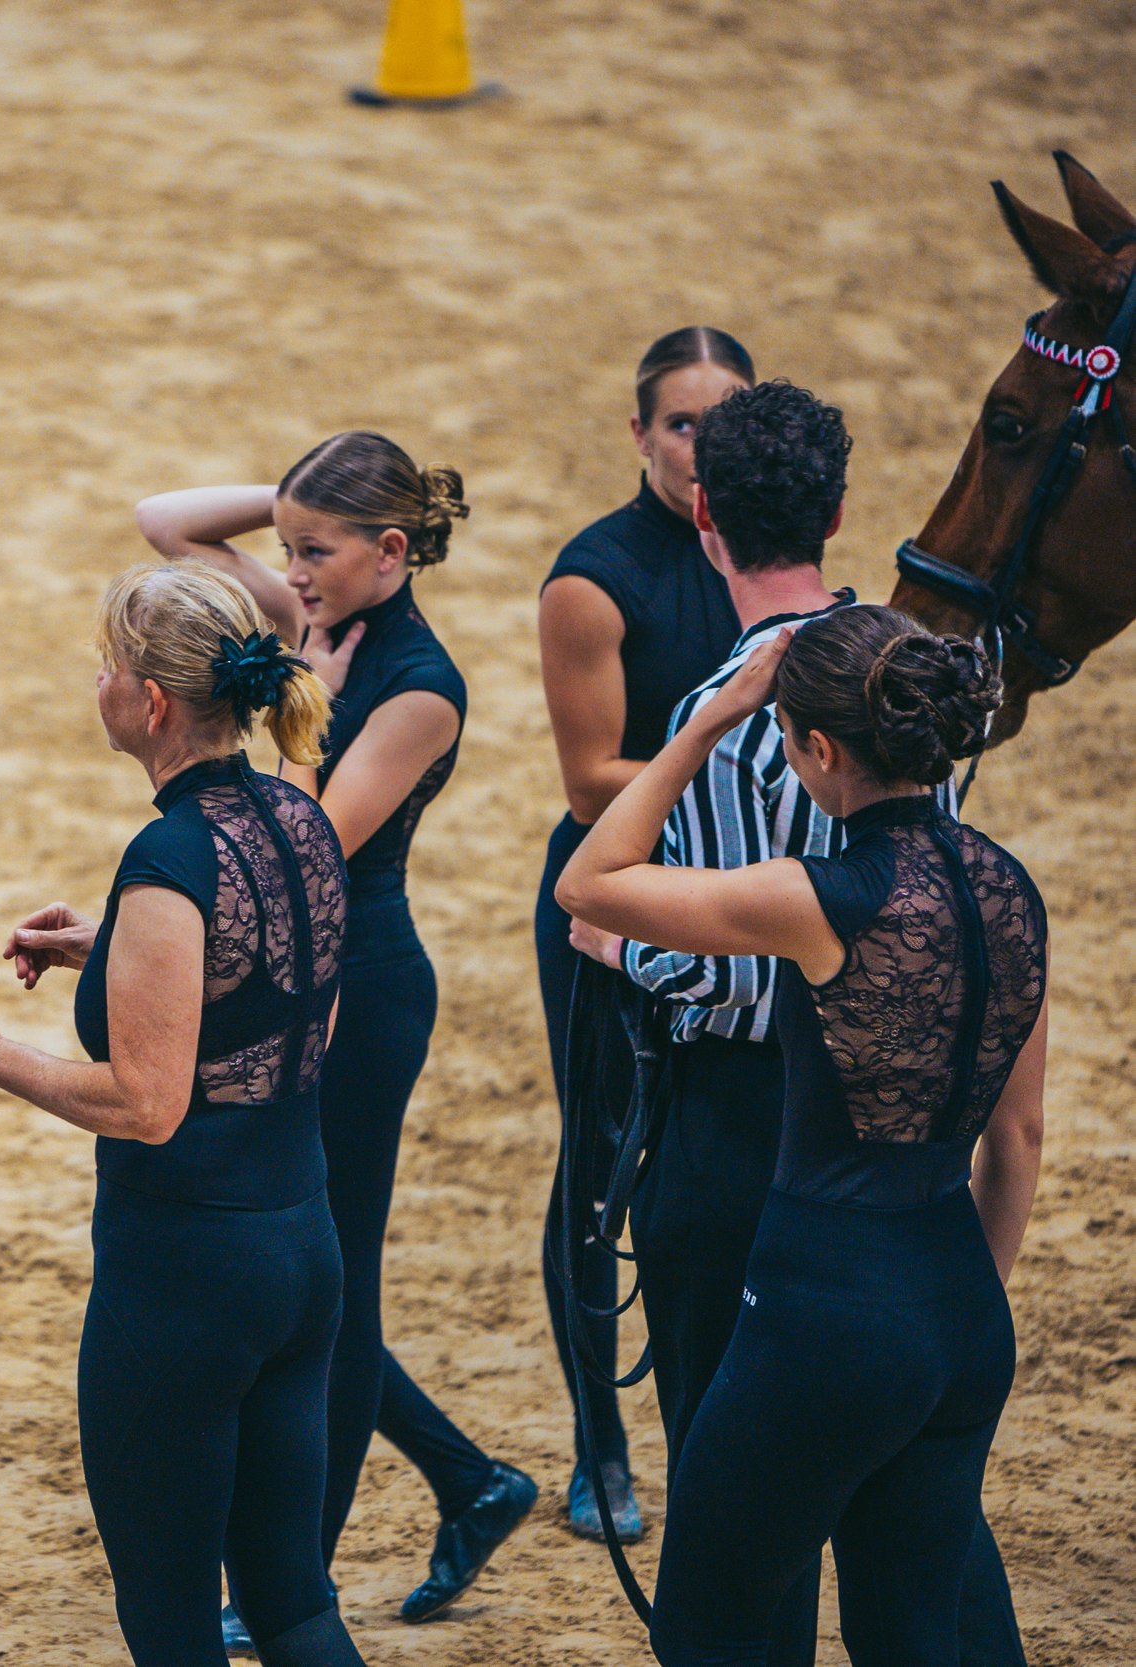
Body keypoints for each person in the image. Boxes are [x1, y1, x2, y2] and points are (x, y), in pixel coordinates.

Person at [568, 382, 1024, 1666]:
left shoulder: (739, 710)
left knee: (737, 1548)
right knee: (918, 1548)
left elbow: (594, 888)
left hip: (743, 1145)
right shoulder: (911, 683)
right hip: (922, 1199)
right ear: (836, 511)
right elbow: (1020, 1125)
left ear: (700, 512)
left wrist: (700, 735)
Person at [0, 562, 368, 1667]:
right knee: (293, 1599)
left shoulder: (166, 857)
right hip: (301, 1246)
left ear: (150, 702)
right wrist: (109, 947)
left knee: (168, 1617)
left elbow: (148, 1105)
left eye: (107, 663)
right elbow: (293, 1005)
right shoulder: (298, 817)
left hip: (185, 1279)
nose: (100, 681)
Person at [140, 435, 533, 1630]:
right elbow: (164, 522)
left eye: (314, 550)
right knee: (303, 1274)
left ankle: (287, 1585)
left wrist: (298, 671)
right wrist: (293, 509)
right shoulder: (318, 601)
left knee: (337, 1279)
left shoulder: (417, 683)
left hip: (361, 980)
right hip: (280, 968)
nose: (289, 567)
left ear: (391, 553)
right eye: (289, 549)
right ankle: (468, 1478)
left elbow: (308, 833)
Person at [534, 327, 752, 1542]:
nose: (700, 445)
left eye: (726, 423)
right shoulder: (593, 575)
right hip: (610, 903)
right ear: (637, 434)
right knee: (603, 1168)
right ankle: (599, 1444)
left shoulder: (763, 549)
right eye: (680, 422)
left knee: (721, 1162)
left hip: (738, 900)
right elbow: (584, 784)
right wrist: (744, 746)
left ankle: (717, 1426)